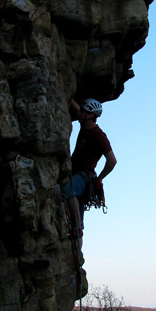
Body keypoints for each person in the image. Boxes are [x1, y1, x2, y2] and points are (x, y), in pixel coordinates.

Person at [62, 97, 117, 238]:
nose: (79, 113)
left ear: (91, 115)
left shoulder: (98, 135)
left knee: (69, 192)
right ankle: (77, 230)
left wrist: (100, 178)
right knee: (75, 206)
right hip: (77, 174)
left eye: (84, 111)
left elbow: (112, 161)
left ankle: (78, 228)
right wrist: (68, 97)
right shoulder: (85, 126)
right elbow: (77, 108)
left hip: (84, 175)